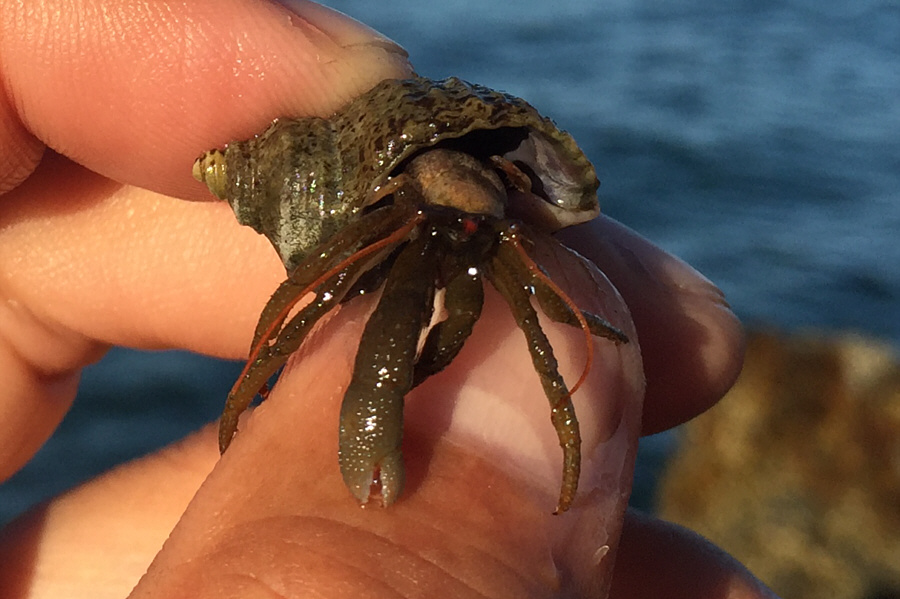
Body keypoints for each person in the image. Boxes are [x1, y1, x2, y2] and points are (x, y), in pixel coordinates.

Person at [0, 1, 775, 597]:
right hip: (411, 210)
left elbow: (547, 321)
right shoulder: (408, 212)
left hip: (457, 205)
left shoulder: (492, 219)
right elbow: (297, 300)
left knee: (545, 339)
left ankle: (560, 443)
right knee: (336, 304)